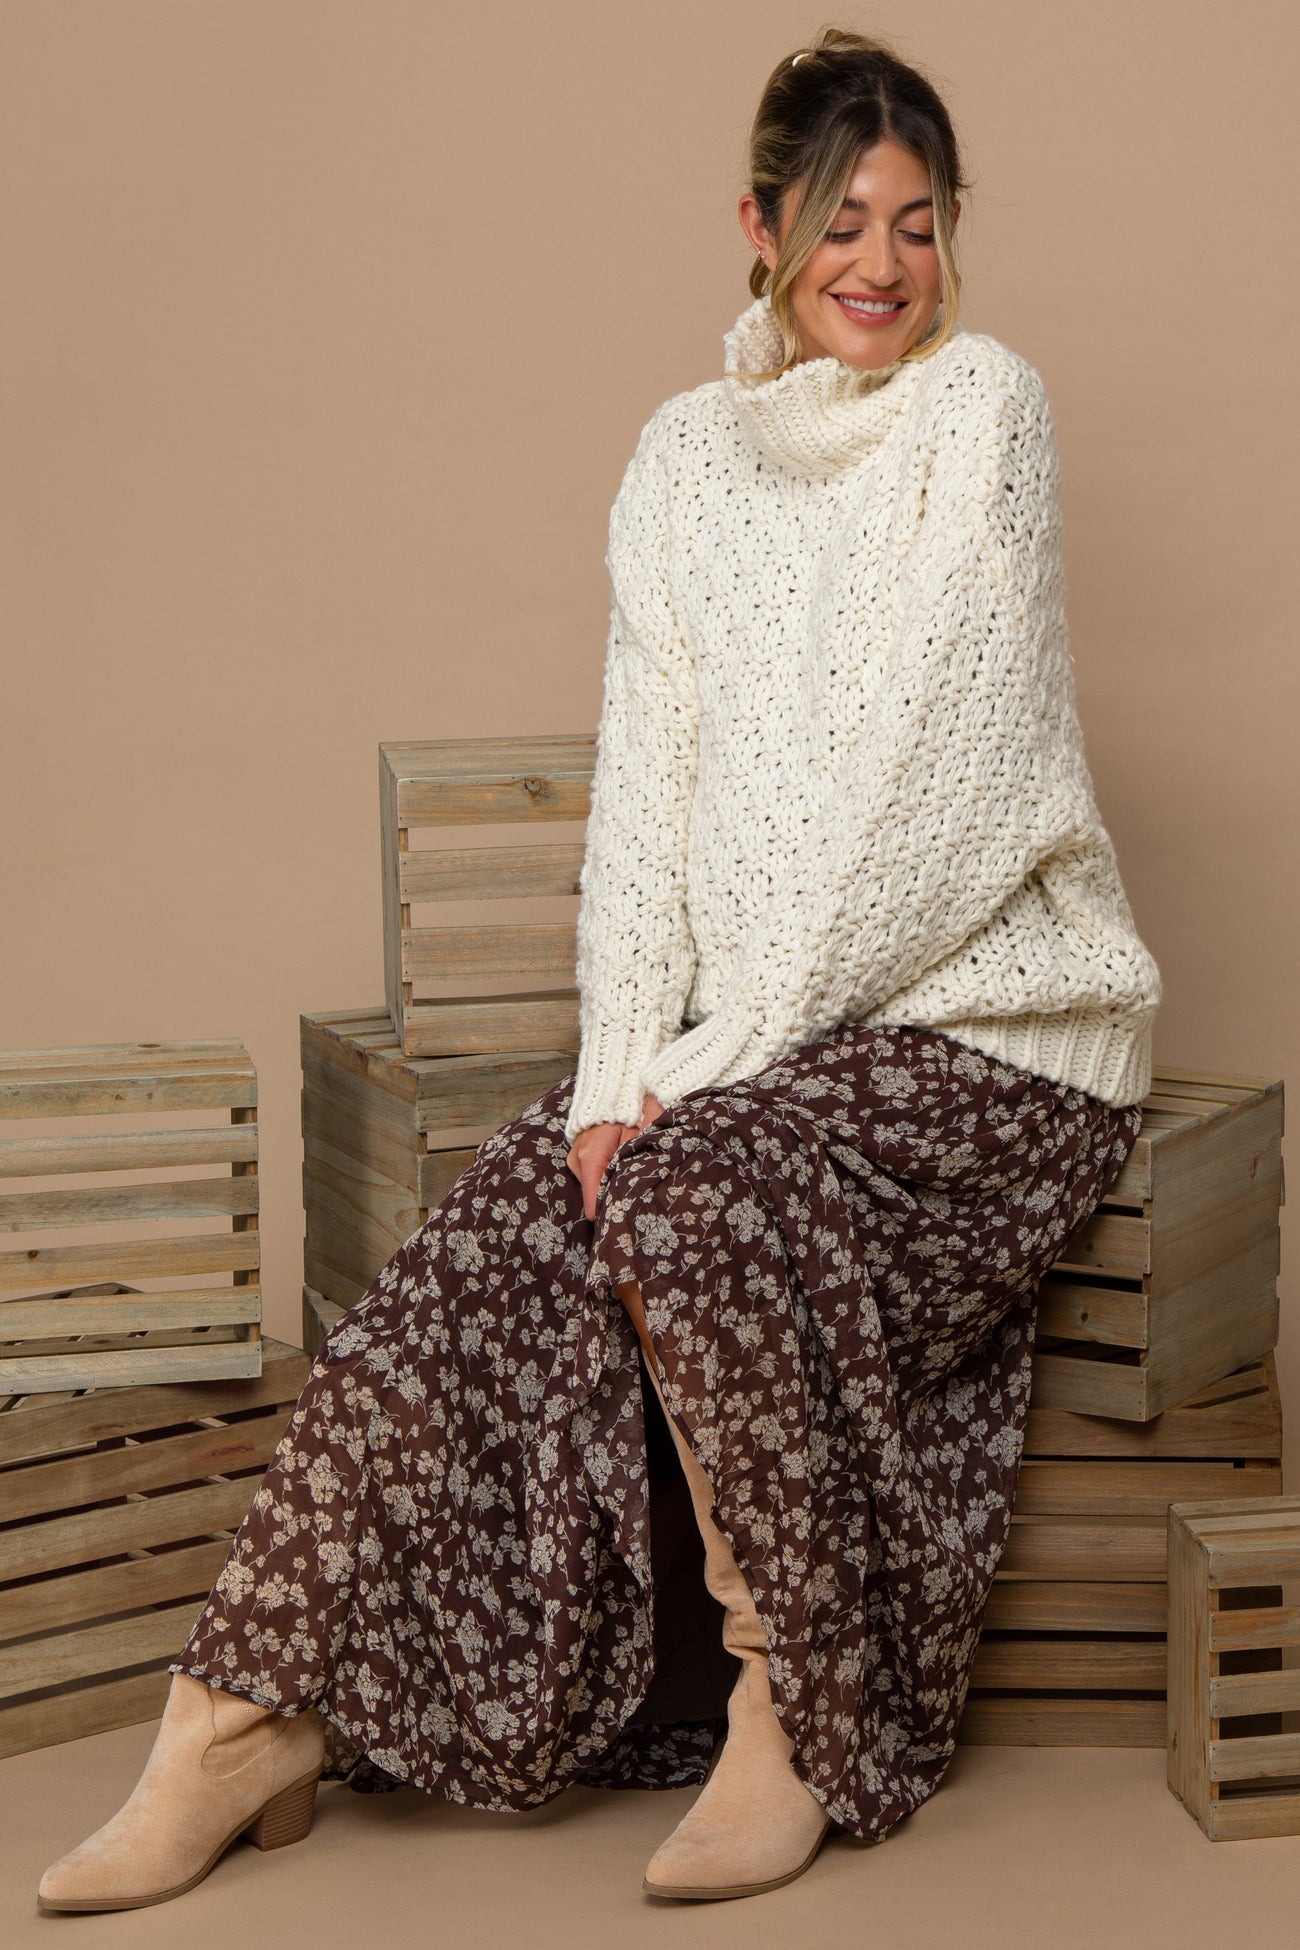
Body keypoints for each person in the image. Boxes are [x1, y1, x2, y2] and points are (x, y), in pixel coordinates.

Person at [36, 26, 1160, 1914]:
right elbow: (648, 798)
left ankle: (787, 1713)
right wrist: (623, 1063)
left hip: (995, 1035)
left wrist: (698, 1072)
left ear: (955, 234)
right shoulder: (684, 458)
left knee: (687, 1183)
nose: (881, 264)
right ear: (761, 226)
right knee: (511, 1212)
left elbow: (935, 797)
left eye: (916, 224)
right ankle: (238, 1721)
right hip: (761, 1041)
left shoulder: (987, 412)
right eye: (840, 222)